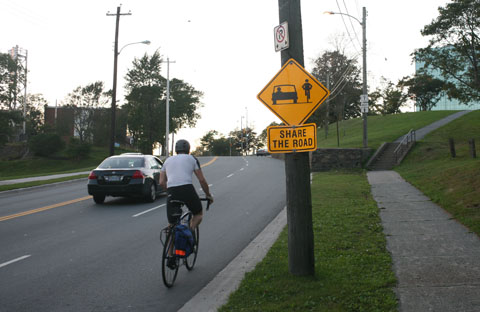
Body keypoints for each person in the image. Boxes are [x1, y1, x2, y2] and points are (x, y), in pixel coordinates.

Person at [159, 139, 213, 231]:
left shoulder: (167, 161)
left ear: (176, 150)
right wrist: (208, 195)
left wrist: (169, 193)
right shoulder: (192, 159)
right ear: (188, 149)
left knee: (172, 224)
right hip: (187, 189)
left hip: (172, 191)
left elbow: (161, 182)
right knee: (198, 214)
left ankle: (171, 243)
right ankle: (189, 232)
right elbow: (202, 180)